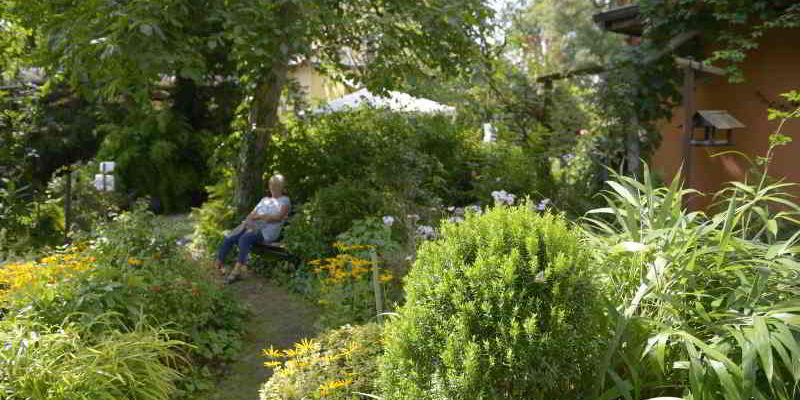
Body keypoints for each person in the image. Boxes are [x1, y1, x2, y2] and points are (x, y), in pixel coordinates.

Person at [214, 174, 290, 283]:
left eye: (276, 185)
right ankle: (217, 266)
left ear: (281, 187)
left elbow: (278, 217)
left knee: (244, 238)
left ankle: (237, 271)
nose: (273, 188)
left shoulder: (285, 200)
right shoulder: (264, 200)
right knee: (230, 236)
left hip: (267, 232)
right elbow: (251, 215)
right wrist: (249, 222)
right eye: (271, 185)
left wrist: (260, 217)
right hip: (253, 227)